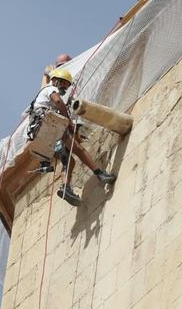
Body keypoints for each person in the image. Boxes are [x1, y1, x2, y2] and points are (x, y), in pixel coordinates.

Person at [27, 67, 116, 206]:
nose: (64, 88)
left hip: (45, 131)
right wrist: (69, 121)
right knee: (79, 149)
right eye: (63, 84)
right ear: (55, 81)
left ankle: (65, 188)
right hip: (49, 124)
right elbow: (58, 101)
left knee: (69, 161)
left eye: (67, 86)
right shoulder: (49, 89)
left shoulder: (44, 97)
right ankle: (100, 174)